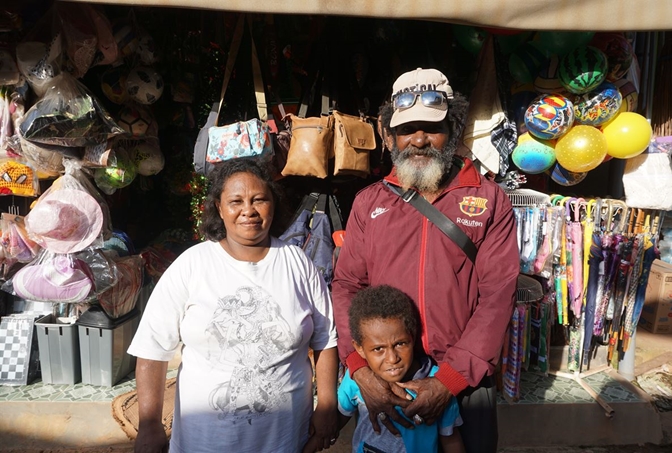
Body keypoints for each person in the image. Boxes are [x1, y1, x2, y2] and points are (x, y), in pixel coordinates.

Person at [332, 67, 519, 452]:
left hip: (463, 382)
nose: (419, 139)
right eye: (406, 129)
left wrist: (448, 380)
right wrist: (361, 369)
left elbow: (498, 296)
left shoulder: (489, 200)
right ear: (390, 135)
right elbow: (347, 286)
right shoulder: (371, 202)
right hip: (386, 378)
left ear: (453, 127)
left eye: (432, 127)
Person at [128, 157, 338, 453]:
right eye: (236, 201)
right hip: (205, 442)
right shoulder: (192, 265)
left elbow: (326, 339)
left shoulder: (297, 263)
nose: (248, 211)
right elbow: (152, 349)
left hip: (285, 439)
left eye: (259, 200)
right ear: (219, 208)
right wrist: (149, 425)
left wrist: (327, 404)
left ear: (273, 204)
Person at [337, 285, 465, 453]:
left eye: (400, 344)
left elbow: (450, 439)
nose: (392, 358)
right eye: (378, 349)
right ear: (359, 348)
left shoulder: (437, 386)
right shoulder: (357, 379)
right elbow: (335, 420)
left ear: (412, 338)